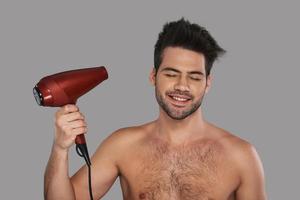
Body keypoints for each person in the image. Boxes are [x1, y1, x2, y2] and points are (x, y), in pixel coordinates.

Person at [44, 18, 267, 200]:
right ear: (153, 76)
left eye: (194, 77)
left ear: (207, 83)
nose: (182, 86)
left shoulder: (241, 156)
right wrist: (60, 149)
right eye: (171, 74)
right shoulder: (123, 145)